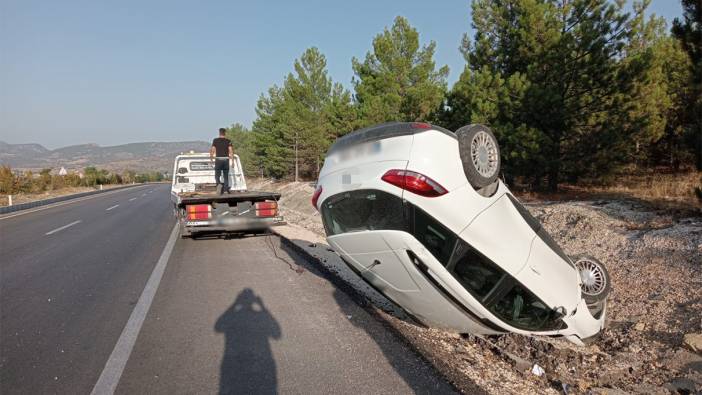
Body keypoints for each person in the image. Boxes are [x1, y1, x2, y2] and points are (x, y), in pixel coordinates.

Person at [210, 128, 233, 194]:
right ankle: (225, 190)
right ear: (225, 133)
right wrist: (233, 161)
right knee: (226, 176)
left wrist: (211, 158)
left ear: (219, 133)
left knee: (217, 175)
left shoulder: (215, 140)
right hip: (226, 160)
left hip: (218, 159)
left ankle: (219, 183)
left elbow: (213, 150)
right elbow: (231, 151)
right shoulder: (228, 141)